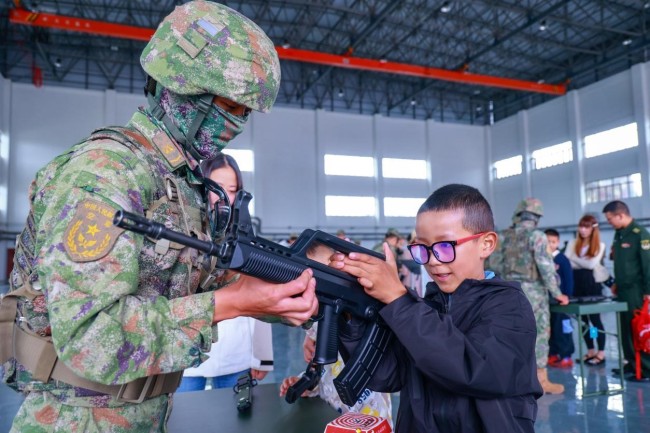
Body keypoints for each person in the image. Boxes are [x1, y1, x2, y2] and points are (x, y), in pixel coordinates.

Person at [0, 2, 318, 432]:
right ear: (181, 85)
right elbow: (91, 338)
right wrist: (233, 302)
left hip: (145, 414)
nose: (237, 123)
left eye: (245, 111)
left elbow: (188, 283)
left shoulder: (176, 182)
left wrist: (272, 295)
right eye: (230, 103)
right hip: (75, 419)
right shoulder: (104, 172)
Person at [331, 184, 542, 432]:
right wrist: (351, 314)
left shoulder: (509, 305)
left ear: (486, 244)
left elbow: (475, 370)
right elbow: (387, 375)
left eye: (445, 246)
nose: (432, 260)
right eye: (423, 248)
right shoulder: (426, 306)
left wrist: (398, 299)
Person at [177, 154, 273, 392]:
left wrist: (262, 356)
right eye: (216, 188)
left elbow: (260, 296)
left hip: (235, 354)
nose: (224, 197)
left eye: (231, 190)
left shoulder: (246, 239)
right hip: (186, 355)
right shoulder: (178, 232)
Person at [488, 197, 569, 394]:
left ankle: (509, 380)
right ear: (537, 217)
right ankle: (540, 381)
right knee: (539, 334)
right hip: (533, 294)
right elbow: (546, 268)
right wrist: (558, 294)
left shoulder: (503, 236)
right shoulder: (537, 236)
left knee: (508, 334)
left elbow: (493, 265)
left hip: (506, 291)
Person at [278, 325, 393, 426]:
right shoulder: (320, 338)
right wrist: (308, 385)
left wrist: (313, 331)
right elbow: (326, 376)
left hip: (371, 419)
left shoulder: (362, 338)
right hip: (333, 421)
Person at [603, 200, 650, 381]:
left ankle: (645, 368)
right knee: (625, 330)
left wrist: (648, 291)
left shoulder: (640, 235)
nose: (609, 223)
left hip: (636, 291)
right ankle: (632, 364)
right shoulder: (619, 234)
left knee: (638, 330)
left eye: (610, 219)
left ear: (620, 215)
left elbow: (647, 265)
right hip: (622, 290)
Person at [563, 215, 607, 366]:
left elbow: (590, 265)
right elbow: (567, 261)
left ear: (593, 229)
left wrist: (574, 258)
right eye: (581, 226)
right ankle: (590, 350)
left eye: (586, 227)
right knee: (584, 321)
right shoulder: (573, 243)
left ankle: (601, 352)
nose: (582, 229)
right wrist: (580, 260)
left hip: (591, 285)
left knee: (594, 321)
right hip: (576, 283)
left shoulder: (599, 245)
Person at [544, 229, 575, 368]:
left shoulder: (562, 259)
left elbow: (569, 280)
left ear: (558, 242)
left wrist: (567, 296)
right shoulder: (543, 259)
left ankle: (566, 356)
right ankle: (553, 354)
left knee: (564, 329)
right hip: (549, 302)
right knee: (552, 330)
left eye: (553, 242)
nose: (550, 244)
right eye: (548, 242)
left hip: (562, 303)